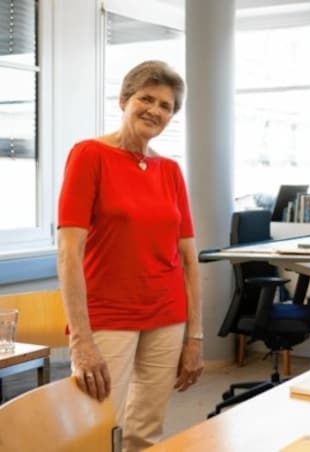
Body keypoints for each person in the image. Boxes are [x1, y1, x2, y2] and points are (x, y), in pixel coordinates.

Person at [57, 60, 203, 451]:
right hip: (108, 315)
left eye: (166, 106)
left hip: (167, 314)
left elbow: (189, 259)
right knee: (96, 430)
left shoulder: (170, 171)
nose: (155, 110)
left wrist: (195, 335)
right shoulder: (89, 155)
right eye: (146, 99)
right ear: (124, 100)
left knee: (146, 432)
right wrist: (80, 340)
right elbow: (69, 252)